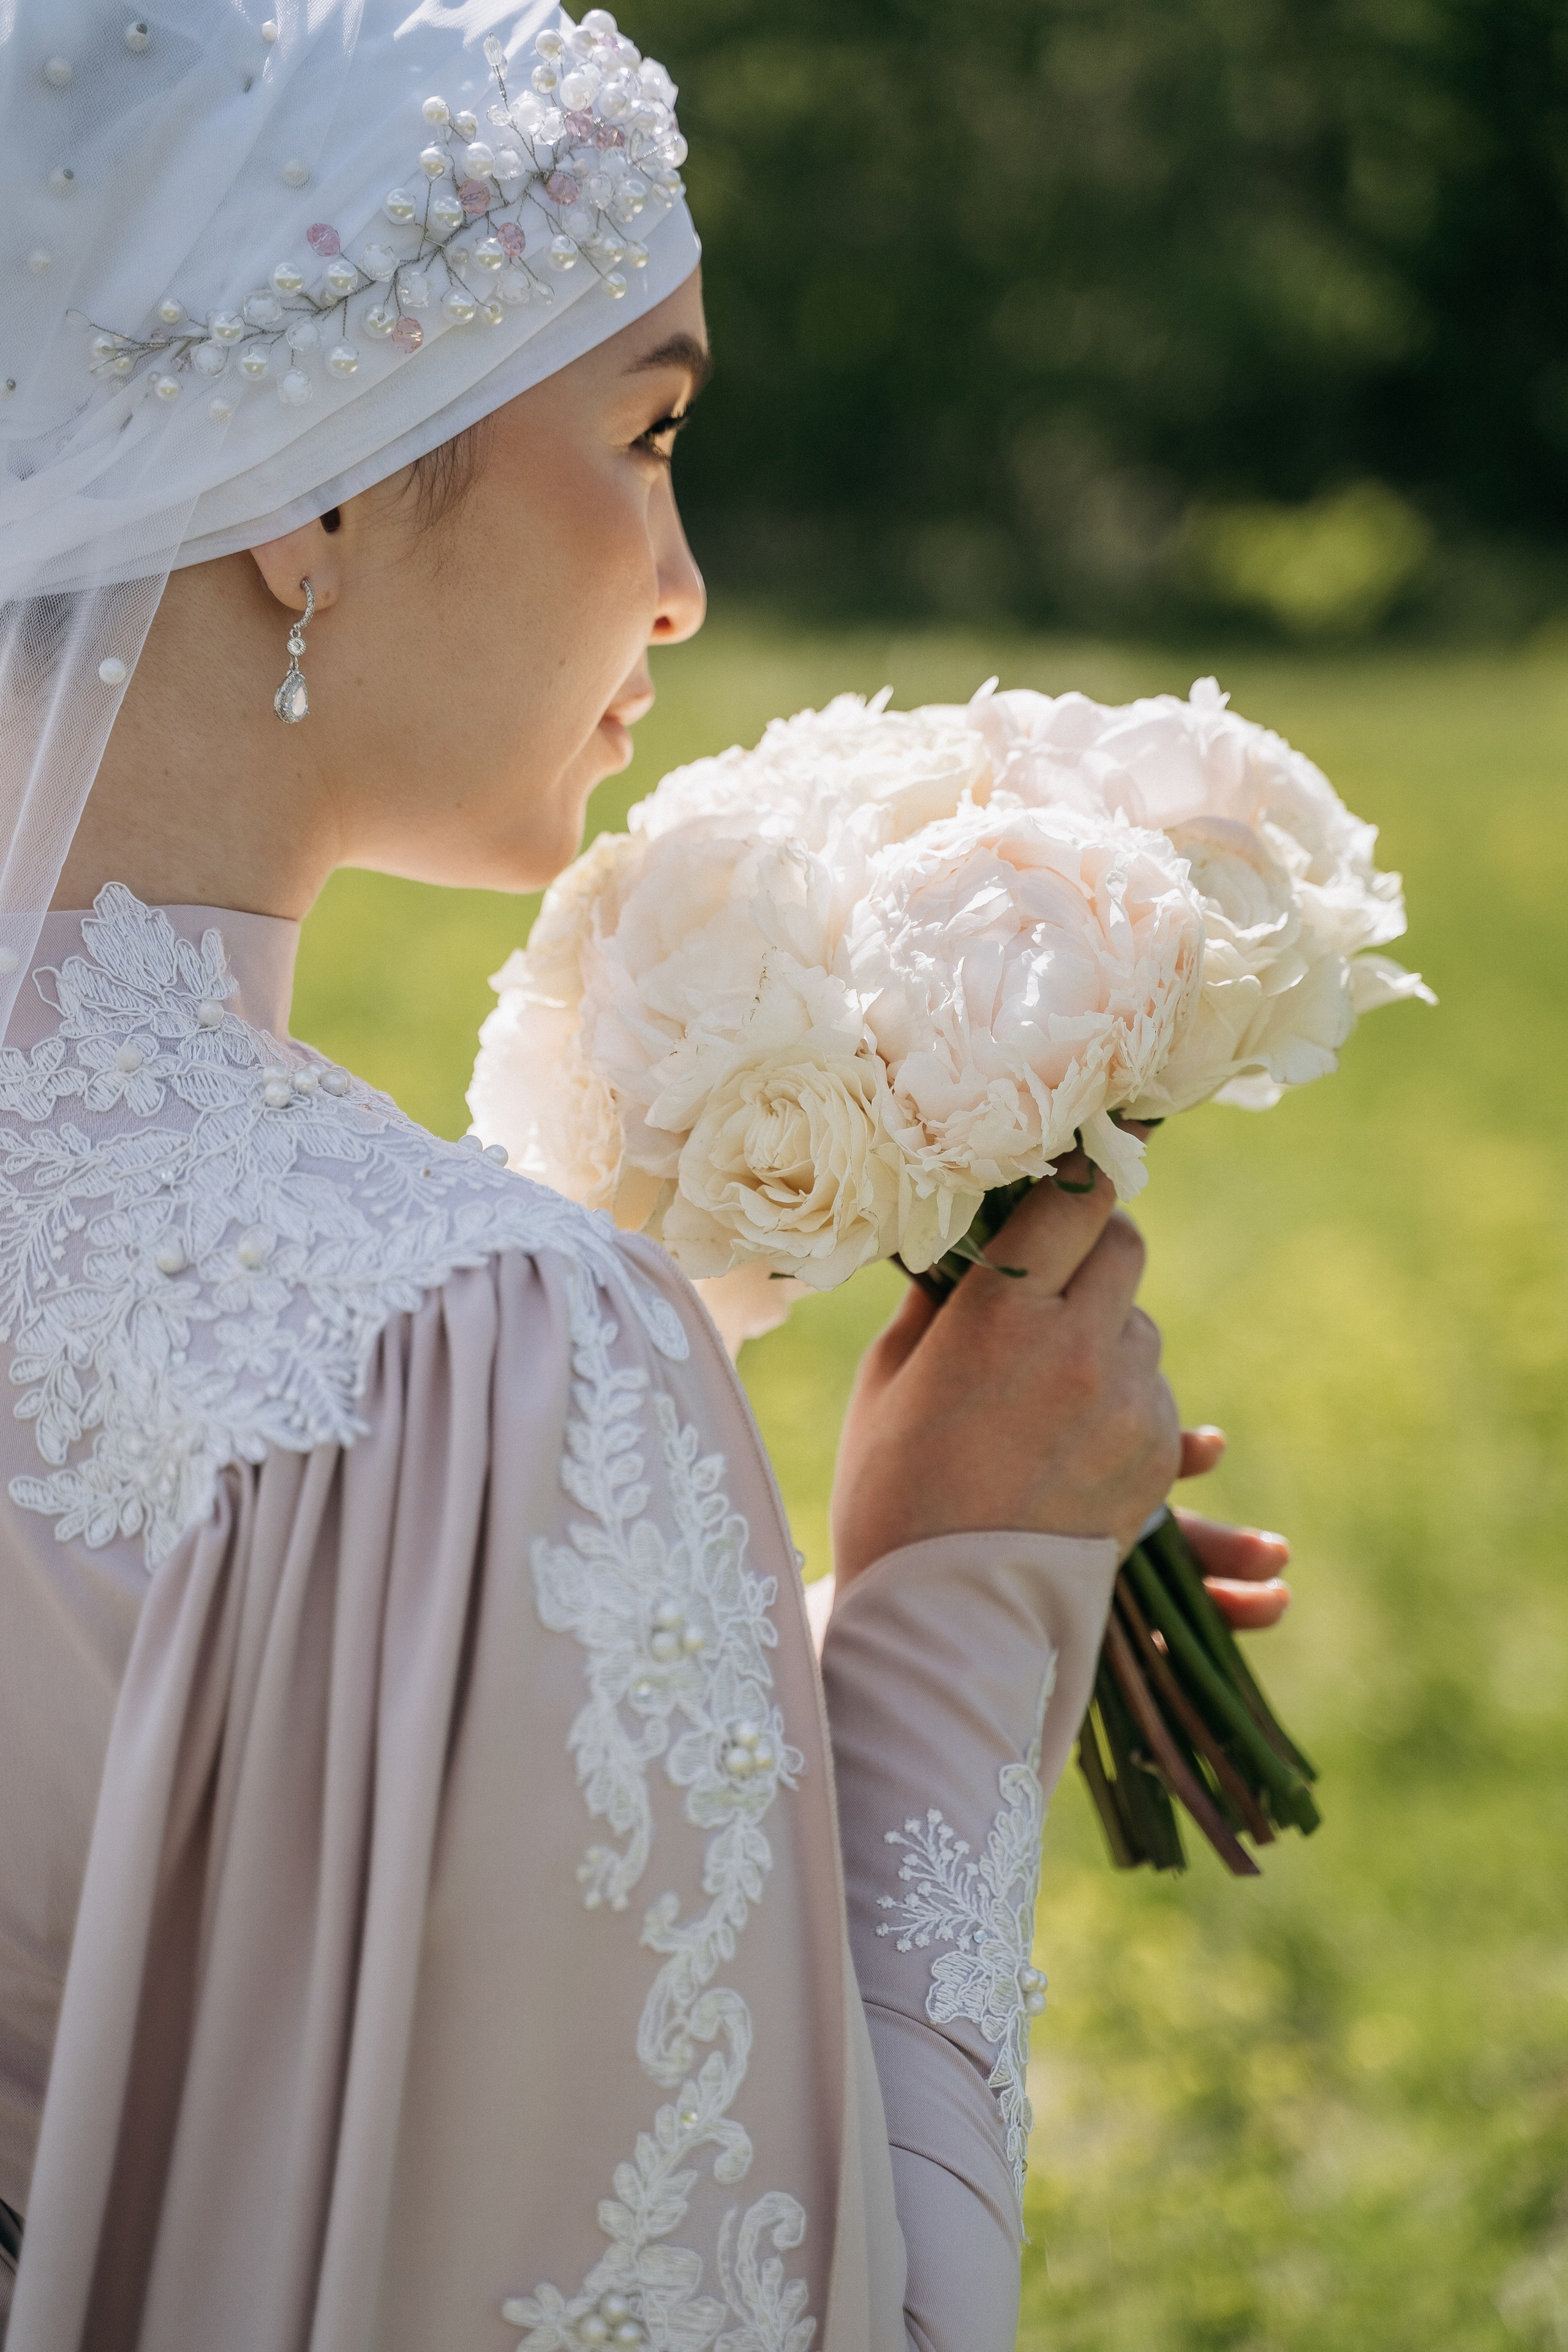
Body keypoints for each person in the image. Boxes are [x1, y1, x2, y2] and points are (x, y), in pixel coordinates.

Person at [0, 4, 1290, 2345]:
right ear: (303, 496)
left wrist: (700, 1672)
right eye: (649, 431)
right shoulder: (452, 1355)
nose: (682, 585)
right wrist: (952, 1608)